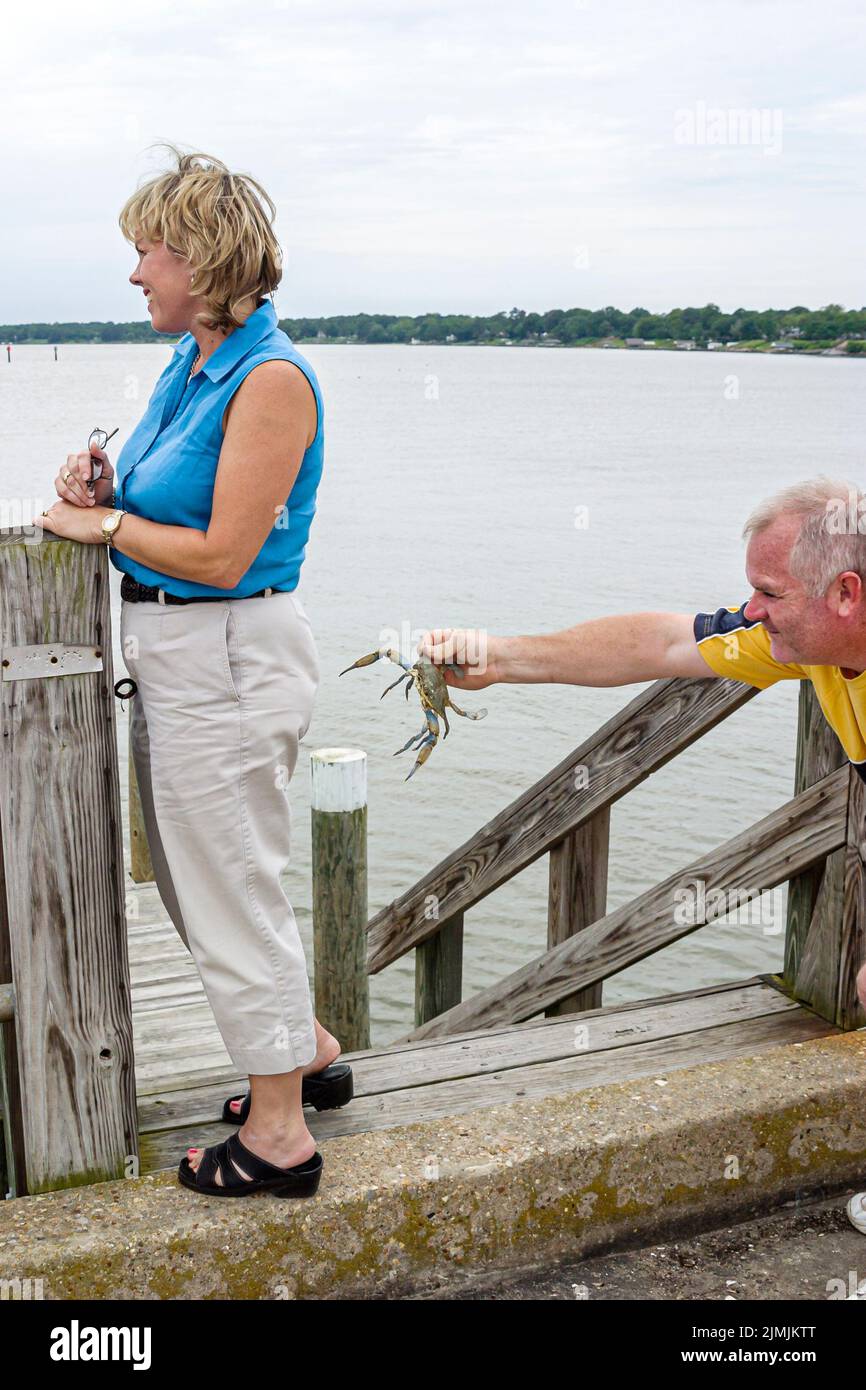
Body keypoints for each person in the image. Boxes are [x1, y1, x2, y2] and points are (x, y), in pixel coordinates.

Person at [416, 475, 866, 1234]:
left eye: (769, 593)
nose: (753, 610)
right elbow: (660, 641)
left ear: (845, 594)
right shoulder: (812, 643)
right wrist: (504, 657)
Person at [36, 145, 352, 1200]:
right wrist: (106, 485)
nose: (135, 275)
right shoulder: (191, 366)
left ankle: (277, 1136)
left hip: (226, 651)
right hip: (180, 654)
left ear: (202, 259)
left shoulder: (271, 379)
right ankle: (300, 1046)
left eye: (147, 252)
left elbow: (220, 553)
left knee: (227, 884)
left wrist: (102, 522)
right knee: (193, 879)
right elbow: (163, 507)